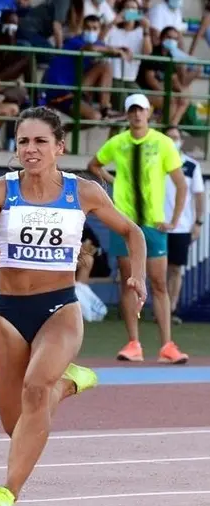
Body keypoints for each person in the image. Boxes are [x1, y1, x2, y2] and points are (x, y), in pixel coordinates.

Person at [0, 105, 148, 506]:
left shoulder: (84, 191)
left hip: (59, 308)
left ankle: (8, 491)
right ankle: (67, 384)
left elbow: (132, 232)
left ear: (59, 147)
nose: (31, 149)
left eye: (40, 141)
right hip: (8, 311)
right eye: (23, 141)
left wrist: (139, 278)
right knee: (17, 424)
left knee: (35, 390)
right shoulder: (0, 189)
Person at [88, 93, 189, 363]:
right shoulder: (118, 142)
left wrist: (175, 220)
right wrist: (116, 182)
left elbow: (181, 183)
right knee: (129, 281)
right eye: (132, 110)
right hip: (123, 222)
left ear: (149, 113)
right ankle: (134, 343)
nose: (136, 115)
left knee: (158, 283)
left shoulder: (163, 143)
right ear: (127, 114)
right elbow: (94, 165)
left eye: (140, 110)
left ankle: (167, 345)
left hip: (153, 223)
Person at [162, 125, 205, 324]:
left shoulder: (191, 166)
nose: (173, 140)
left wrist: (198, 222)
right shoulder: (155, 164)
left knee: (176, 269)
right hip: (158, 225)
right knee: (157, 270)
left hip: (181, 226)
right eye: (169, 137)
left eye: (176, 137)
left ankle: (170, 310)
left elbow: (199, 196)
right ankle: (159, 310)